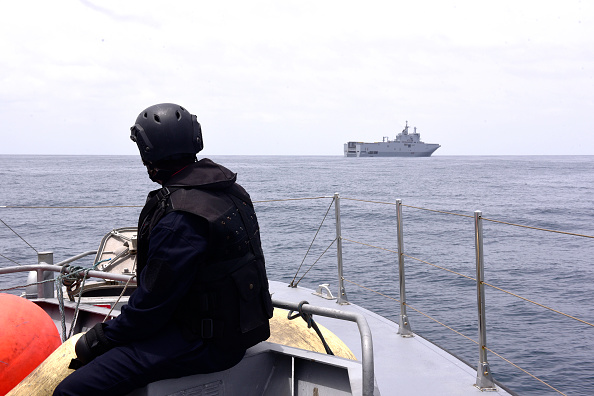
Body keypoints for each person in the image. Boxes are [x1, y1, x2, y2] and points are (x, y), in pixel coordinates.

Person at [54, 103, 273, 395]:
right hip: (237, 331)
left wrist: (101, 339)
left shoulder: (179, 217)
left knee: (72, 390)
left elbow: (151, 307)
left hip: (203, 344)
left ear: (148, 153)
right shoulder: (231, 190)